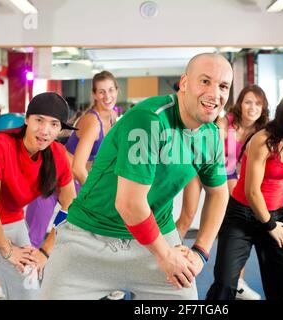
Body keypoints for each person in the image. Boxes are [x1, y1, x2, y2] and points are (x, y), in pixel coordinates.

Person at [39, 53, 233, 300]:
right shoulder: (149, 119)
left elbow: (219, 194)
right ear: (184, 83)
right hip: (89, 238)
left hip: (155, 240)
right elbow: (129, 205)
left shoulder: (213, 136)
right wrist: (166, 256)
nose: (215, 93)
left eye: (223, 86)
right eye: (205, 81)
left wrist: (201, 252)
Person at [206, 84, 283, 300]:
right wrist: (270, 226)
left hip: (278, 216)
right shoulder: (263, 139)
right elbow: (252, 192)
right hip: (241, 215)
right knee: (224, 284)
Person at [0, 92, 77, 300]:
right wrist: (8, 251)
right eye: (39, 120)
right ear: (27, 120)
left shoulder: (58, 155)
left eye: (54, 124)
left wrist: (45, 252)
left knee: (29, 291)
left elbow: (71, 207)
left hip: (9, 223)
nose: (45, 130)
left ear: (60, 129)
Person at [176, 84, 269, 300]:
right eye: (248, 102)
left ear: (263, 108)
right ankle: (167, 262)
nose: (252, 107)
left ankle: (237, 282)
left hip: (228, 176)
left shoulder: (260, 132)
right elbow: (216, 150)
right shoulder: (226, 121)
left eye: (257, 103)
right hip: (202, 168)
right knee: (187, 217)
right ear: (240, 104)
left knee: (239, 225)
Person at [25, 71, 119, 249]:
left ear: (117, 90)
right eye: (101, 91)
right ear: (94, 94)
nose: (107, 96)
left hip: (72, 180)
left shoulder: (112, 118)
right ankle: (16, 272)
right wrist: (96, 192)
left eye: (111, 90)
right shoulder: (93, 122)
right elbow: (78, 167)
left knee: (65, 237)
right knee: (32, 240)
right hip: (54, 178)